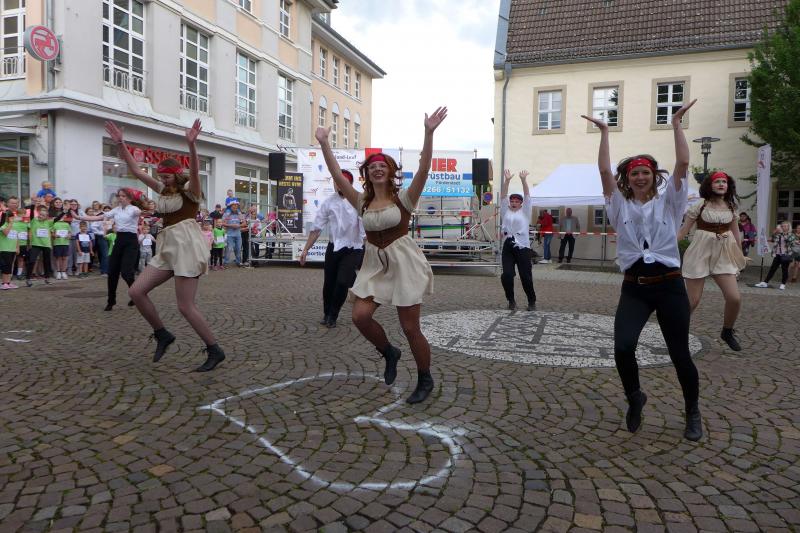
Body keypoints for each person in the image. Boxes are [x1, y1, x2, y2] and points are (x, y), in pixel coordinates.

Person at [582, 99, 703, 441]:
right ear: (628, 178)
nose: (639, 177)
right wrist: (605, 133)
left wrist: (676, 124)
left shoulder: (671, 201)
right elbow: (604, 172)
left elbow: (683, 162)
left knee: (680, 354)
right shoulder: (618, 205)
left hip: (669, 286)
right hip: (635, 287)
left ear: (653, 176)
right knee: (623, 347)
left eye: (645, 172)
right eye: (634, 173)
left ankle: (692, 411)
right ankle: (635, 396)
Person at [314, 107, 447, 404]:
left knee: (410, 328)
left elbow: (424, 169)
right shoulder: (360, 200)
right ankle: (389, 352)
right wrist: (324, 143)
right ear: (367, 173)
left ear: (390, 171)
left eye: (382, 166)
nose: (377, 169)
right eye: (372, 166)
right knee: (360, 316)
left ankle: (425, 377)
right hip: (374, 264)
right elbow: (336, 174)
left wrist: (428, 133)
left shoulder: (404, 199)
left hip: (403, 263)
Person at [106, 119, 225, 372]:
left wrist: (192, 145)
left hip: (187, 247)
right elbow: (137, 171)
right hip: (168, 247)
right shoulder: (162, 190)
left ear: (177, 175)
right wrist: (121, 143)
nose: (163, 180)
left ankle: (214, 349)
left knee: (185, 306)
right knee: (136, 292)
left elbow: (195, 172)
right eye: (161, 176)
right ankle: (162, 334)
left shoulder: (190, 191)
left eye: (167, 176)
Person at [678, 172, 747, 351]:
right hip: (699, 253)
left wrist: (739, 255)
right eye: (717, 181)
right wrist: (665, 251)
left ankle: (727, 331)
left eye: (724, 181)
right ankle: (676, 333)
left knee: (734, 298)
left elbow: (736, 234)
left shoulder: (731, 207)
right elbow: (683, 231)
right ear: (710, 185)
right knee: (692, 301)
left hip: (723, 254)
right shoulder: (700, 205)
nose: (721, 184)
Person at [300, 169, 366, 328]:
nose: (338, 185)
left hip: (353, 248)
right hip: (333, 247)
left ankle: (333, 315)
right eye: (336, 182)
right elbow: (316, 228)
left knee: (342, 282)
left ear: (349, 183)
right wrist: (306, 250)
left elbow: (365, 231)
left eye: (342, 182)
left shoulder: (358, 202)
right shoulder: (329, 202)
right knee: (329, 283)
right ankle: (326, 313)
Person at [74, 189, 144, 309]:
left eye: (123, 196)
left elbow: (139, 212)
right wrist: (79, 217)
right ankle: (111, 300)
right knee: (112, 272)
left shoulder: (133, 209)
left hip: (131, 241)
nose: (120, 198)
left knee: (126, 273)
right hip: (119, 239)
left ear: (129, 198)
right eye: (119, 196)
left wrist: (142, 209)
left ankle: (136, 294)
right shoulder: (116, 210)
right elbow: (99, 217)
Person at [499, 169, 536, 311]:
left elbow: (527, 196)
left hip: (523, 247)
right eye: (512, 201)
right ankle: (511, 301)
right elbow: (503, 196)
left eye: (516, 201)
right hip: (508, 245)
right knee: (507, 275)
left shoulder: (525, 212)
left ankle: (531, 301)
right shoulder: (505, 211)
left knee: (525, 276)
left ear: (521, 203)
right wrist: (507, 181)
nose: (514, 203)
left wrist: (523, 180)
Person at [754, 221, 795, 290]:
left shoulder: (791, 235)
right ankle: (765, 282)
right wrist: (774, 233)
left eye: (785, 226)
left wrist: (783, 234)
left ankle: (783, 284)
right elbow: (772, 239)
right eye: (782, 226)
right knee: (772, 269)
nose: (784, 227)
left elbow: (789, 241)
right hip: (778, 254)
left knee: (784, 270)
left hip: (786, 255)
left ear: (788, 227)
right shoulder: (779, 234)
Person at [26, 205, 54, 286]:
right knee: (32, 260)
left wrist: (64, 211)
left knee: (47, 261)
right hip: (36, 244)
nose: (40, 216)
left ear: (46, 217)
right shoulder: (34, 220)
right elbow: (31, 215)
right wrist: (32, 205)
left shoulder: (48, 222)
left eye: (43, 215)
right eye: (40, 214)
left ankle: (47, 278)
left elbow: (57, 219)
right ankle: (28, 278)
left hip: (46, 245)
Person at [0, 202, 21, 290]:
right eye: (11, 217)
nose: (12, 218)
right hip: (4, 249)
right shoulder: (3, 225)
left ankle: (8, 282)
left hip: (12, 249)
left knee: (10, 266)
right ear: (7, 218)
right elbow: (6, 233)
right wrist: (10, 224)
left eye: (13, 217)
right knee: (6, 267)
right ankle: (4, 283)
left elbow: (16, 237)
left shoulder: (15, 226)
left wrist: (17, 247)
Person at [222, 200, 244, 266]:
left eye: (236, 205)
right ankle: (225, 262)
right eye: (234, 205)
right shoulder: (227, 213)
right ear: (231, 206)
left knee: (238, 249)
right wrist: (231, 225)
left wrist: (239, 226)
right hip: (229, 234)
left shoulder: (239, 213)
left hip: (238, 234)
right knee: (228, 249)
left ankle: (238, 262)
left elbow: (244, 223)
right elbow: (222, 223)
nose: (235, 206)